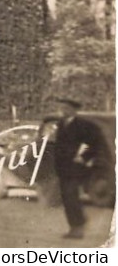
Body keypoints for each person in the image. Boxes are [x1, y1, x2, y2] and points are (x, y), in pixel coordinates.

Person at [53, 97, 101, 239]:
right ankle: (75, 225)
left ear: (74, 110)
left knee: (71, 196)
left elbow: (93, 143)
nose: (63, 110)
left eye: (66, 108)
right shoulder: (61, 124)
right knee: (67, 198)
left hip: (75, 168)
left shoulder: (82, 125)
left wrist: (83, 157)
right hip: (62, 167)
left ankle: (77, 228)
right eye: (62, 108)